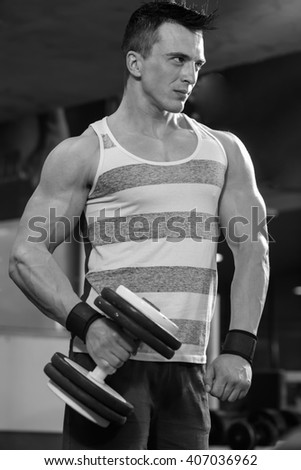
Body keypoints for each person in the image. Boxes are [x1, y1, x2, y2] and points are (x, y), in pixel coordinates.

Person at [9, 1, 269, 450]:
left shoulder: (224, 152)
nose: (191, 75)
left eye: (197, 63)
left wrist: (238, 348)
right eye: (177, 59)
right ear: (135, 62)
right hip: (108, 365)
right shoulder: (85, 152)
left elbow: (254, 248)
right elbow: (26, 255)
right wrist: (86, 323)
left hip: (188, 373)